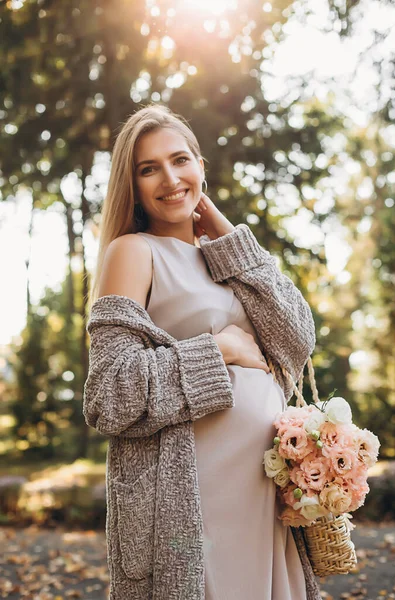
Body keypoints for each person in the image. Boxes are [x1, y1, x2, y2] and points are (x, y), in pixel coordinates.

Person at [83, 104, 321, 600]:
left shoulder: (226, 256)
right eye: (149, 169)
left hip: (265, 496)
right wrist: (220, 349)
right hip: (191, 506)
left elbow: (297, 339)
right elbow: (110, 394)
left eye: (180, 160)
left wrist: (231, 238)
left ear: (201, 166)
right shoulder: (133, 252)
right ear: (133, 184)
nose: (170, 178)